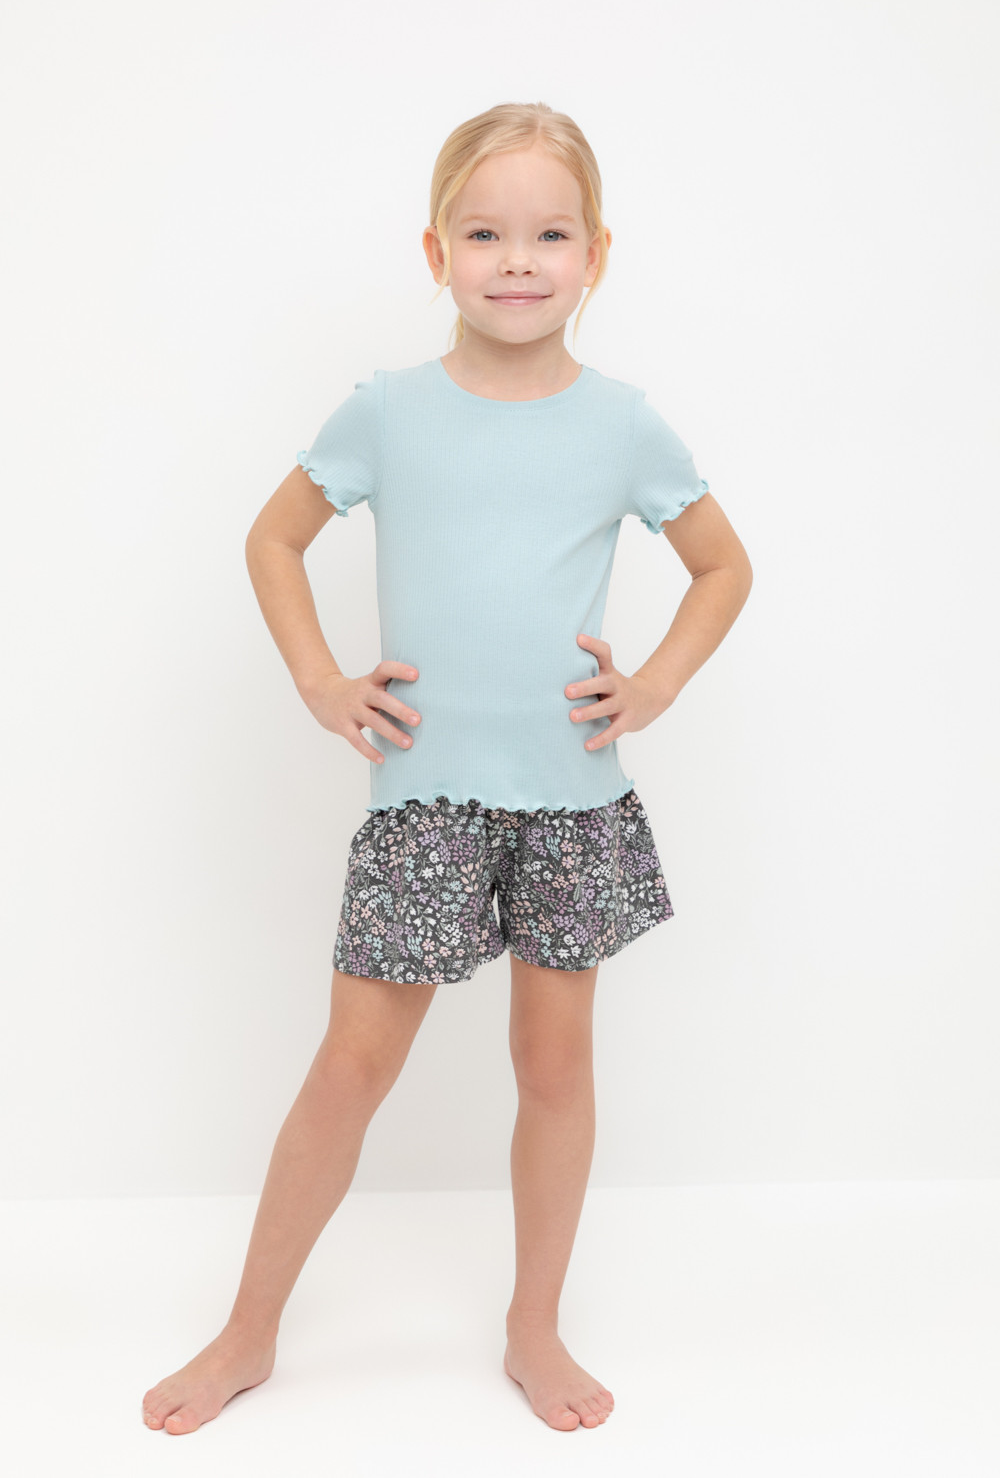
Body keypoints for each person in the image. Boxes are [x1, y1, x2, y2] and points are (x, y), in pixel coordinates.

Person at [141, 99, 753, 1438]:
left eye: (549, 235)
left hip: (573, 803)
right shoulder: (388, 412)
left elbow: (723, 566)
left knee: (555, 1067)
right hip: (426, 799)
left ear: (597, 254)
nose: (517, 260)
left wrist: (653, 683)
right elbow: (273, 538)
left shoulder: (625, 425)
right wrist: (321, 679)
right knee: (352, 1064)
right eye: (484, 234)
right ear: (436, 253)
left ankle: (535, 1326)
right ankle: (249, 1332)